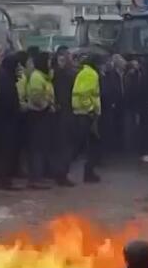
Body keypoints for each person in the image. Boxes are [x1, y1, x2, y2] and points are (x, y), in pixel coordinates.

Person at [21, 51, 56, 189]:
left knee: (41, 147)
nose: (49, 63)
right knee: (37, 149)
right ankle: (34, 179)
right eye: (47, 60)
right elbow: (36, 97)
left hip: (44, 116)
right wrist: (46, 105)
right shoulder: (37, 77)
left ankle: (39, 176)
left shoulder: (44, 76)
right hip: (38, 116)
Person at [0, 51, 23, 190]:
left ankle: (3, 179)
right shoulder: (5, 78)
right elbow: (8, 100)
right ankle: (3, 180)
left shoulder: (2, 74)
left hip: (1, 119)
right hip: (6, 121)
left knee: (3, 151)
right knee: (6, 151)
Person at [69, 53, 103, 183]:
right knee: (88, 145)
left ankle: (87, 172)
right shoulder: (91, 74)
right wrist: (90, 109)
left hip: (82, 113)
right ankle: (85, 173)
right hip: (87, 114)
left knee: (84, 144)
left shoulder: (84, 72)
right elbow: (84, 94)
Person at [49, 47, 77, 186]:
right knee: (64, 145)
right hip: (64, 112)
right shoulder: (63, 74)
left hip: (63, 111)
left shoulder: (59, 74)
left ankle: (60, 173)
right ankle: (61, 174)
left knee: (63, 145)